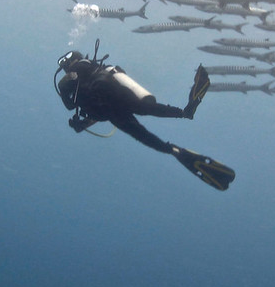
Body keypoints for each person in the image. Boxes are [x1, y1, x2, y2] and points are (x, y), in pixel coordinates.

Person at [54, 40, 235, 191]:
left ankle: (172, 150)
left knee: (142, 135)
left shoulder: (68, 84)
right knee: (148, 108)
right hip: (119, 97)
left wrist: (80, 125)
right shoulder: (94, 68)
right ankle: (186, 112)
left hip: (110, 111)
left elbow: (82, 108)